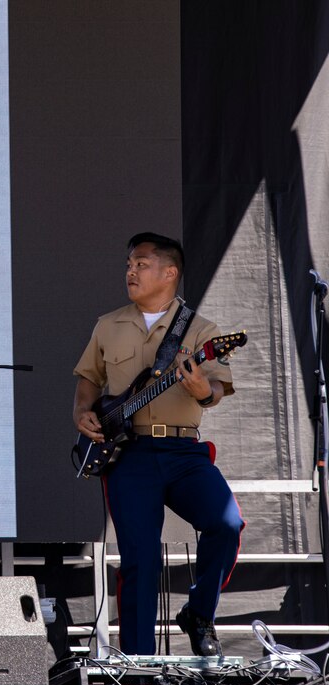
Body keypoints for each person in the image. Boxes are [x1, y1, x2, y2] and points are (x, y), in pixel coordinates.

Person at [73, 232, 244, 656]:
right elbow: (88, 380)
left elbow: (217, 392)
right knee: (140, 558)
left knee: (226, 524)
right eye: (129, 264)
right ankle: (138, 662)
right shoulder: (108, 325)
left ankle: (199, 612)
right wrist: (81, 413)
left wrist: (203, 389)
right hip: (128, 454)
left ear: (170, 272)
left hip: (183, 450)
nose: (131, 271)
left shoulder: (203, 331)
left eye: (142, 264)